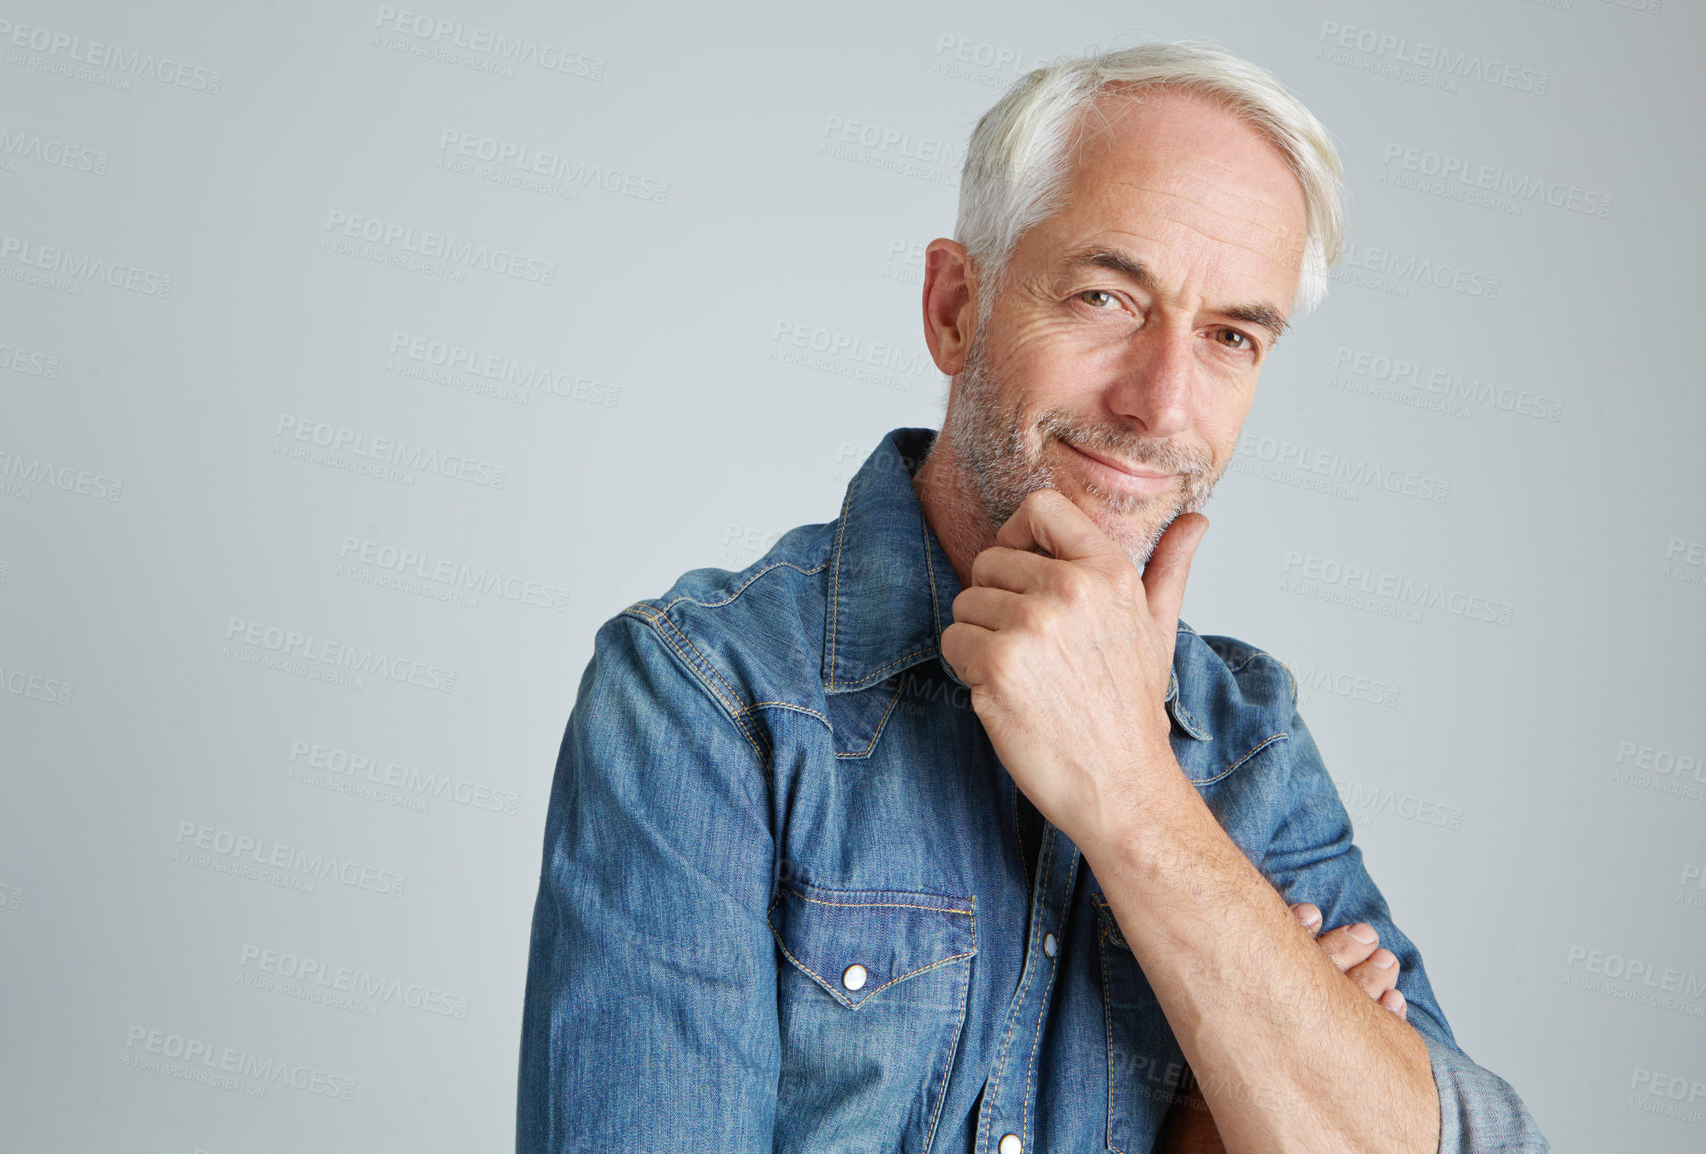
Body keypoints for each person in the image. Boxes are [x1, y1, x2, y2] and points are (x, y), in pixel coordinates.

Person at [516, 41, 1549, 1154]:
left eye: (1230, 336)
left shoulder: (1243, 741)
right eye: (1108, 296)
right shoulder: (705, 699)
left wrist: (1134, 793)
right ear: (956, 307)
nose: (1160, 403)